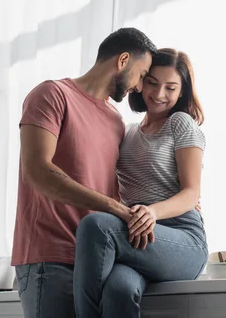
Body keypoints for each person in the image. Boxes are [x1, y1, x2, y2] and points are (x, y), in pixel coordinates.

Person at [12, 27, 157, 318]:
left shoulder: (116, 121)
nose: (140, 88)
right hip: (49, 260)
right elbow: (37, 170)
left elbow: (114, 183)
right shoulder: (52, 95)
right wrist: (115, 209)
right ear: (123, 60)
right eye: (141, 75)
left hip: (96, 260)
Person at [73, 48, 208, 317]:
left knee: (96, 226)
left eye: (170, 88)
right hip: (137, 236)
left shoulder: (181, 123)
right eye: (152, 83)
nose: (159, 95)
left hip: (181, 237)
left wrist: (153, 212)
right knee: (118, 290)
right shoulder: (129, 131)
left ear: (181, 92)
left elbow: (191, 193)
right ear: (141, 81)